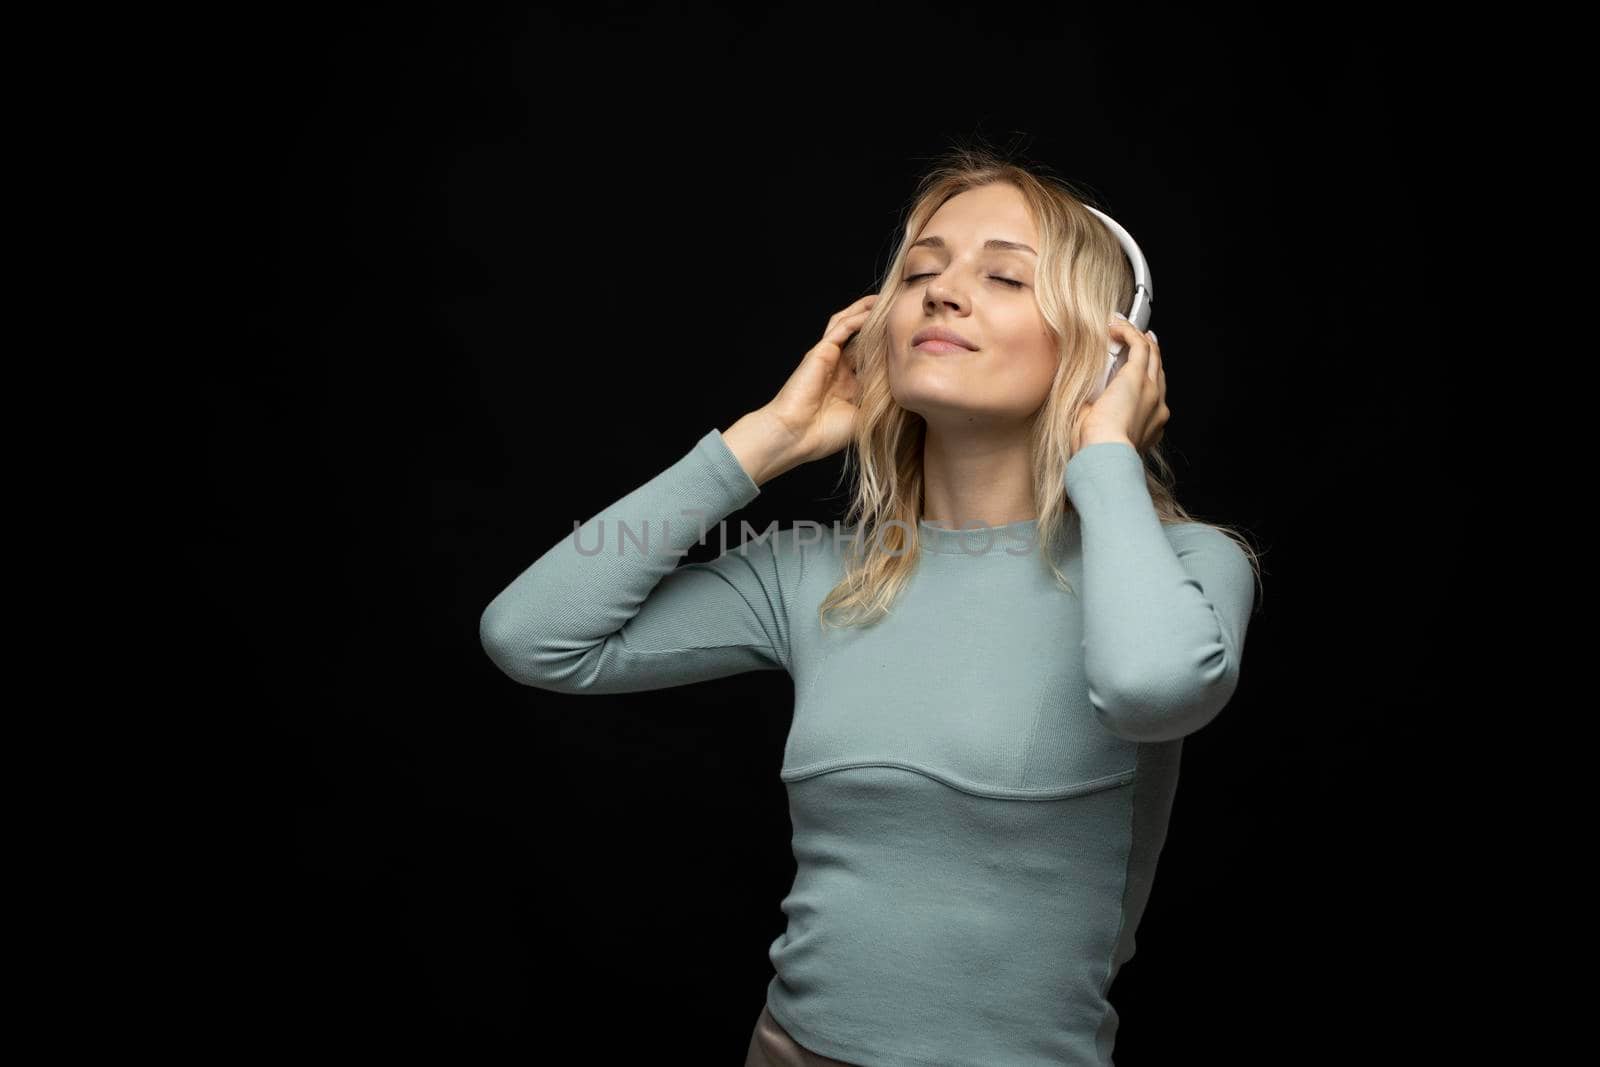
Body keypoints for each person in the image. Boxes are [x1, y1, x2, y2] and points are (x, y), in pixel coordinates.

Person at [479, 148, 1263, 1066]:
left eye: (1005, 274)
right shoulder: (815, 572)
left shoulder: (1181, 564)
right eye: (922, 272)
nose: (942, 292)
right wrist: (760, 445)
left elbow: (1152, 688)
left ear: (1108, 354)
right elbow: (530, 637)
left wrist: (1105, 451)